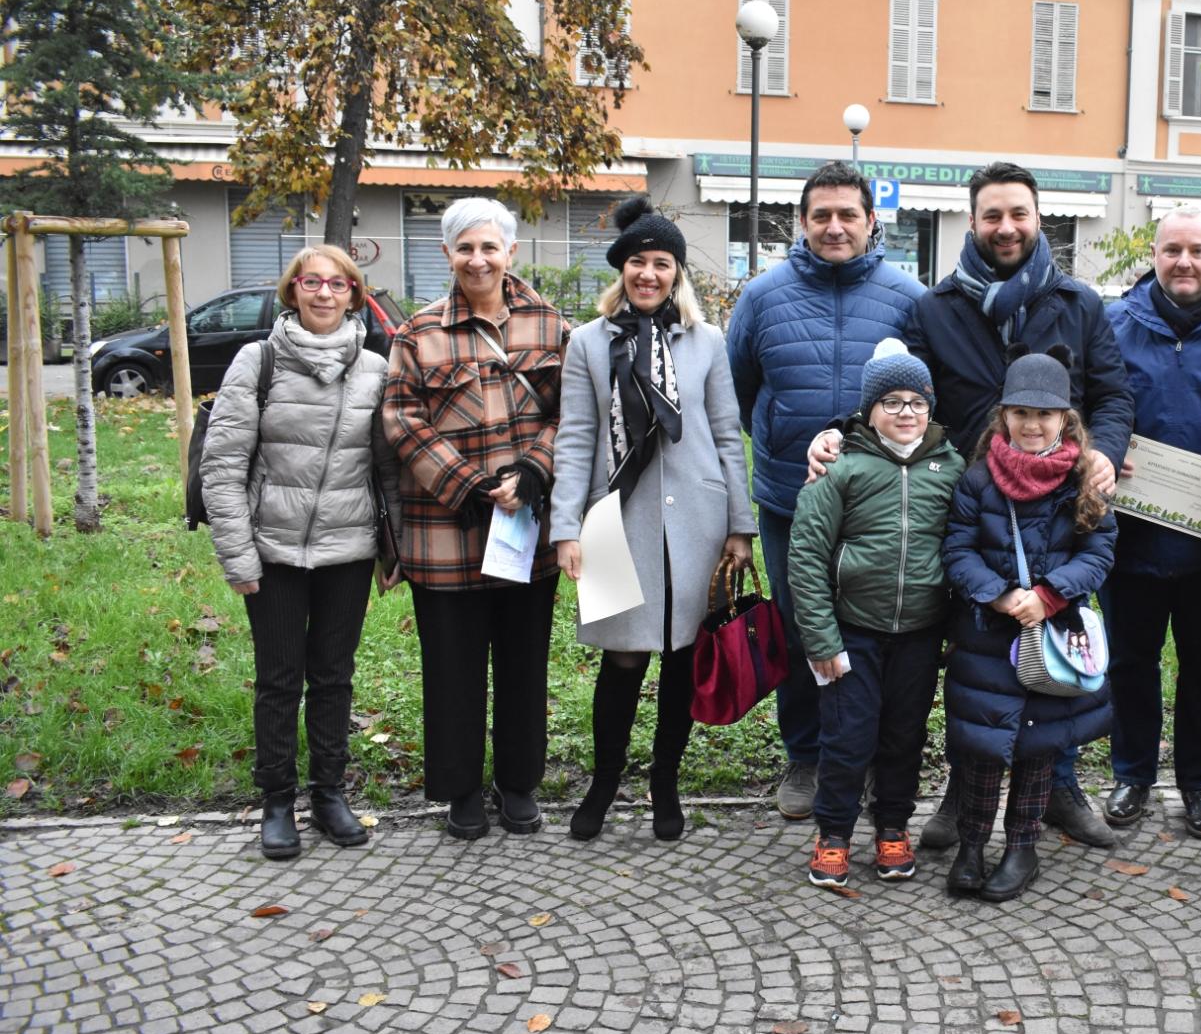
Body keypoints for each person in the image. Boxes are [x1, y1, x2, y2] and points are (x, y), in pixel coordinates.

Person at [806, 161, 1133, 848]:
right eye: (992, 215)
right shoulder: (937, 308)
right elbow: (906, 397)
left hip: (1057, 510)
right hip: (973, 508)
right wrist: (839, 431)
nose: (1006, 227)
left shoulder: (1078, 303)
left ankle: (1060, 789)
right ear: (973, 220)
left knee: (1054, 646)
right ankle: (965, 791)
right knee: (979, 658)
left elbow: (1113, 393)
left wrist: (1102, 448)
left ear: (1038, 217)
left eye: (1018, 213)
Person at [550, 197, 756, 844]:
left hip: (696, 520)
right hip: (613, 521)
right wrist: (565, 526)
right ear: (623, 269)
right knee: (622, 662)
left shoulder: (706, 343)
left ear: (677, 272)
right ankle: (604, 782)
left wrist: (740, 527)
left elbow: (727, 435)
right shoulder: (588, 342)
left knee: (681, 661)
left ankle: (665, 781)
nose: (649, 273)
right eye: (638, 261)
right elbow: (576, 436)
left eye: (661, 262)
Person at [726, 161, 925, 823]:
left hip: (884, 507)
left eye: (848, 215)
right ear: (801, 222)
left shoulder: (907, 298)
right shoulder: (762, 297)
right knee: (799, 627)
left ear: (872, 222)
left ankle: (866, 759)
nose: (835, 227)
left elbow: (930, 399)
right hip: (790, 499)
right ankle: (807, 755)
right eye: (822, 216)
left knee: (874, 633)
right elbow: (737, 395)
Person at [201, 244, 399, 859]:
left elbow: (387, 469)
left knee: (334, 679)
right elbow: (223, 464)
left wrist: (392, 551)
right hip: (274, 551)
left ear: (354, 295)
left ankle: (331, 793)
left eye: (337, 285)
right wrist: (238, 555)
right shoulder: (256, 361)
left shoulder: (375, 368)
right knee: (280, 680)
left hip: (347, 550)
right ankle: (278, 801)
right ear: (292, 292)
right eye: (310, 282)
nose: (322, 293)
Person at [383, 197, 569, 841]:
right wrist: (468, 486)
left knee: (524, 662)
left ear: (511, 252)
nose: (478, 259)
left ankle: (518, 784)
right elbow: (400, 417)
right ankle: (461, 789)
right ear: (447, 255)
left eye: (490, 247)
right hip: (447, 529)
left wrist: (534, 472)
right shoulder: (418, 333)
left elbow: (571, 413)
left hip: (526, 528)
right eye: (465, 248)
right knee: (453, 667)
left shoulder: (550, 325)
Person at [1099, 206, 1201, 840]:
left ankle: (1198, 780)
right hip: (1129, 536)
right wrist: (1105, 452)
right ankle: (1132, 772)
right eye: (1172, 251)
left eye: (1198, 251)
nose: (1184, 262)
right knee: (1130, 661)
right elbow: (1087, 409)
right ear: (1154, 254)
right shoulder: (1113, 326)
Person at [940, 347, 1118, 902]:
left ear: (1065, 419)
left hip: (1053, 635)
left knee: (1039, 749)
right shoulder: (977, 480)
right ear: (1004, 416)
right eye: (1020, 413)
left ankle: (1022, 847)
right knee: (982, 748)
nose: (1032, 425)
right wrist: (995, 595)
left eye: (1044, 415)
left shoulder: (1082, 480)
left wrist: (1048, 594)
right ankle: (971, 845)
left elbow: (1099, 551)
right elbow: (958, 548)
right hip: (986, 638)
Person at [786, 340, 965, 888]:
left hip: (920, 631)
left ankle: (892, 826)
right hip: (853, 630)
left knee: (903, 736)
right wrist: (820, 639)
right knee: (847, 737)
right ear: (869, 410)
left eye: (916, 401)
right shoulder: (843, 467)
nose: (905, 412)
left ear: (931, 408)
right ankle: (834, 833)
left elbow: (965, 545)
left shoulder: (951, 467)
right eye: (891, 401)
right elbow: (807, 554)